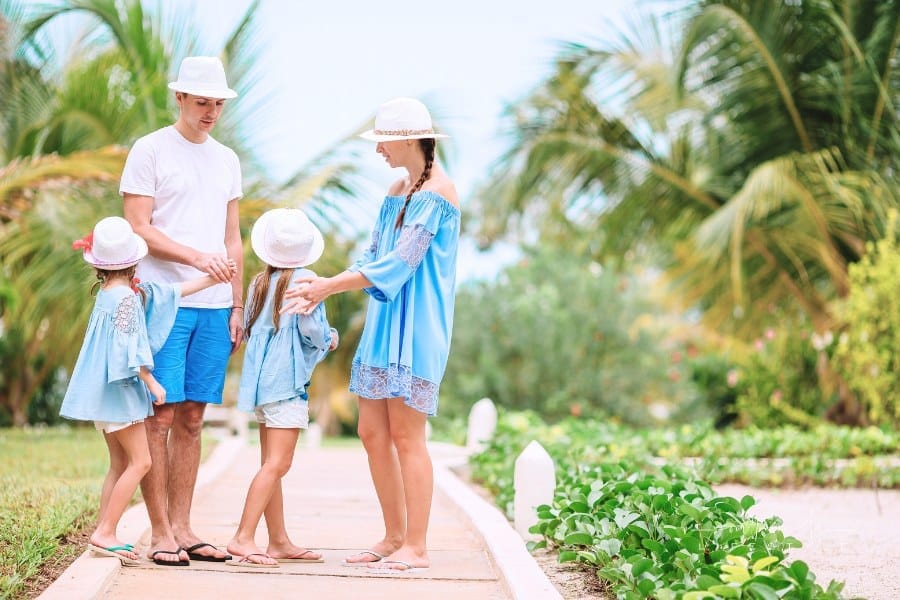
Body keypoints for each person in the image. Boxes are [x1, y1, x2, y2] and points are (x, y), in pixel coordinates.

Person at [286, 97, 459, 572]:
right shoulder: (396, 188)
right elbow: (374, 254)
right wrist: (323, 284)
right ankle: (393, 536)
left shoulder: (439, 193)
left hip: (417, 326)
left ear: (406, 139)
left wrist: (331, 286)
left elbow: (400, 263)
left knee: (407, 436)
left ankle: (416, 547)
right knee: (370, 431)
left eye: (383, 140)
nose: (378, 149)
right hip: (386, 322)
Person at [120, 56, 243, 566]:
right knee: (160, 415)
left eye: (217, 102)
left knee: (193, 417)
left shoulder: (228, 159)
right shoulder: (149, 150)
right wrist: (196, 257)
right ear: (180, 99)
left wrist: (238, 304)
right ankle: (159, 532)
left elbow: (232, 236)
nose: (210, 111)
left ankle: (186, 527)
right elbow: (138, 226)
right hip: (164, 301)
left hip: (216, 307)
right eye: (201, 102)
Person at [60, 216, 232, 567]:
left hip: (102, 398)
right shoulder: (127, 299)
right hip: (120, 395)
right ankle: (106, 532)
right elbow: (129, 349)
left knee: (118, 464)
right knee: (142, 461)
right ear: (135, 260)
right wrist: (152, 383)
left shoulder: (112, 294)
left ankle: (102, 531)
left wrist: (211, 279)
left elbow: (169, 294)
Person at [225, 208, 339, 568]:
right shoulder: (306, 281)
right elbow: (311, 330)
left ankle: (278, 540)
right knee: (278, 464)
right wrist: (331, 339)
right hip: (286, 384)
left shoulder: (261, 282)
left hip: (260, 384)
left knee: (268, 464)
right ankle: (243, 537)